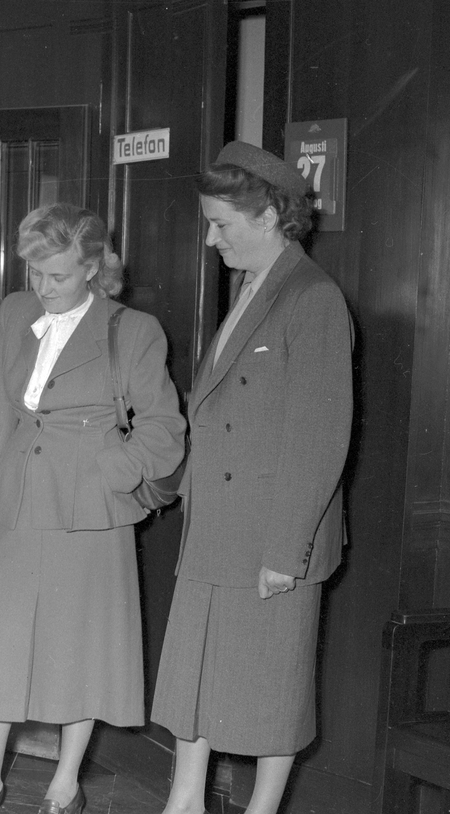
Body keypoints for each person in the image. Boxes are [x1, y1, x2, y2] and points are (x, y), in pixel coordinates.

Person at [0, 204, 187, 814]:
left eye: (58, 276)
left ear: (95, 268)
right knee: (2, 643)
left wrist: (109, 471)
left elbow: (165, 429)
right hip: (21, 498)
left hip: (91, 511)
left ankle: (64, 785)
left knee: (81, 647)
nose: (43, 288)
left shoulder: (133, 329)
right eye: (35, 273)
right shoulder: (15, 312)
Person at [150, 141, 354, 814]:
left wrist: (286, 551)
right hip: (216, 525)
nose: (211, 239)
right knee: (196, 676)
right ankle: (185, 800)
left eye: (221, 224)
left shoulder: (312, 297)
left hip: (271, 534)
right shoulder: (251, 288)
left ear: (268, 215)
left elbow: (319, 438)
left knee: (271, 689)